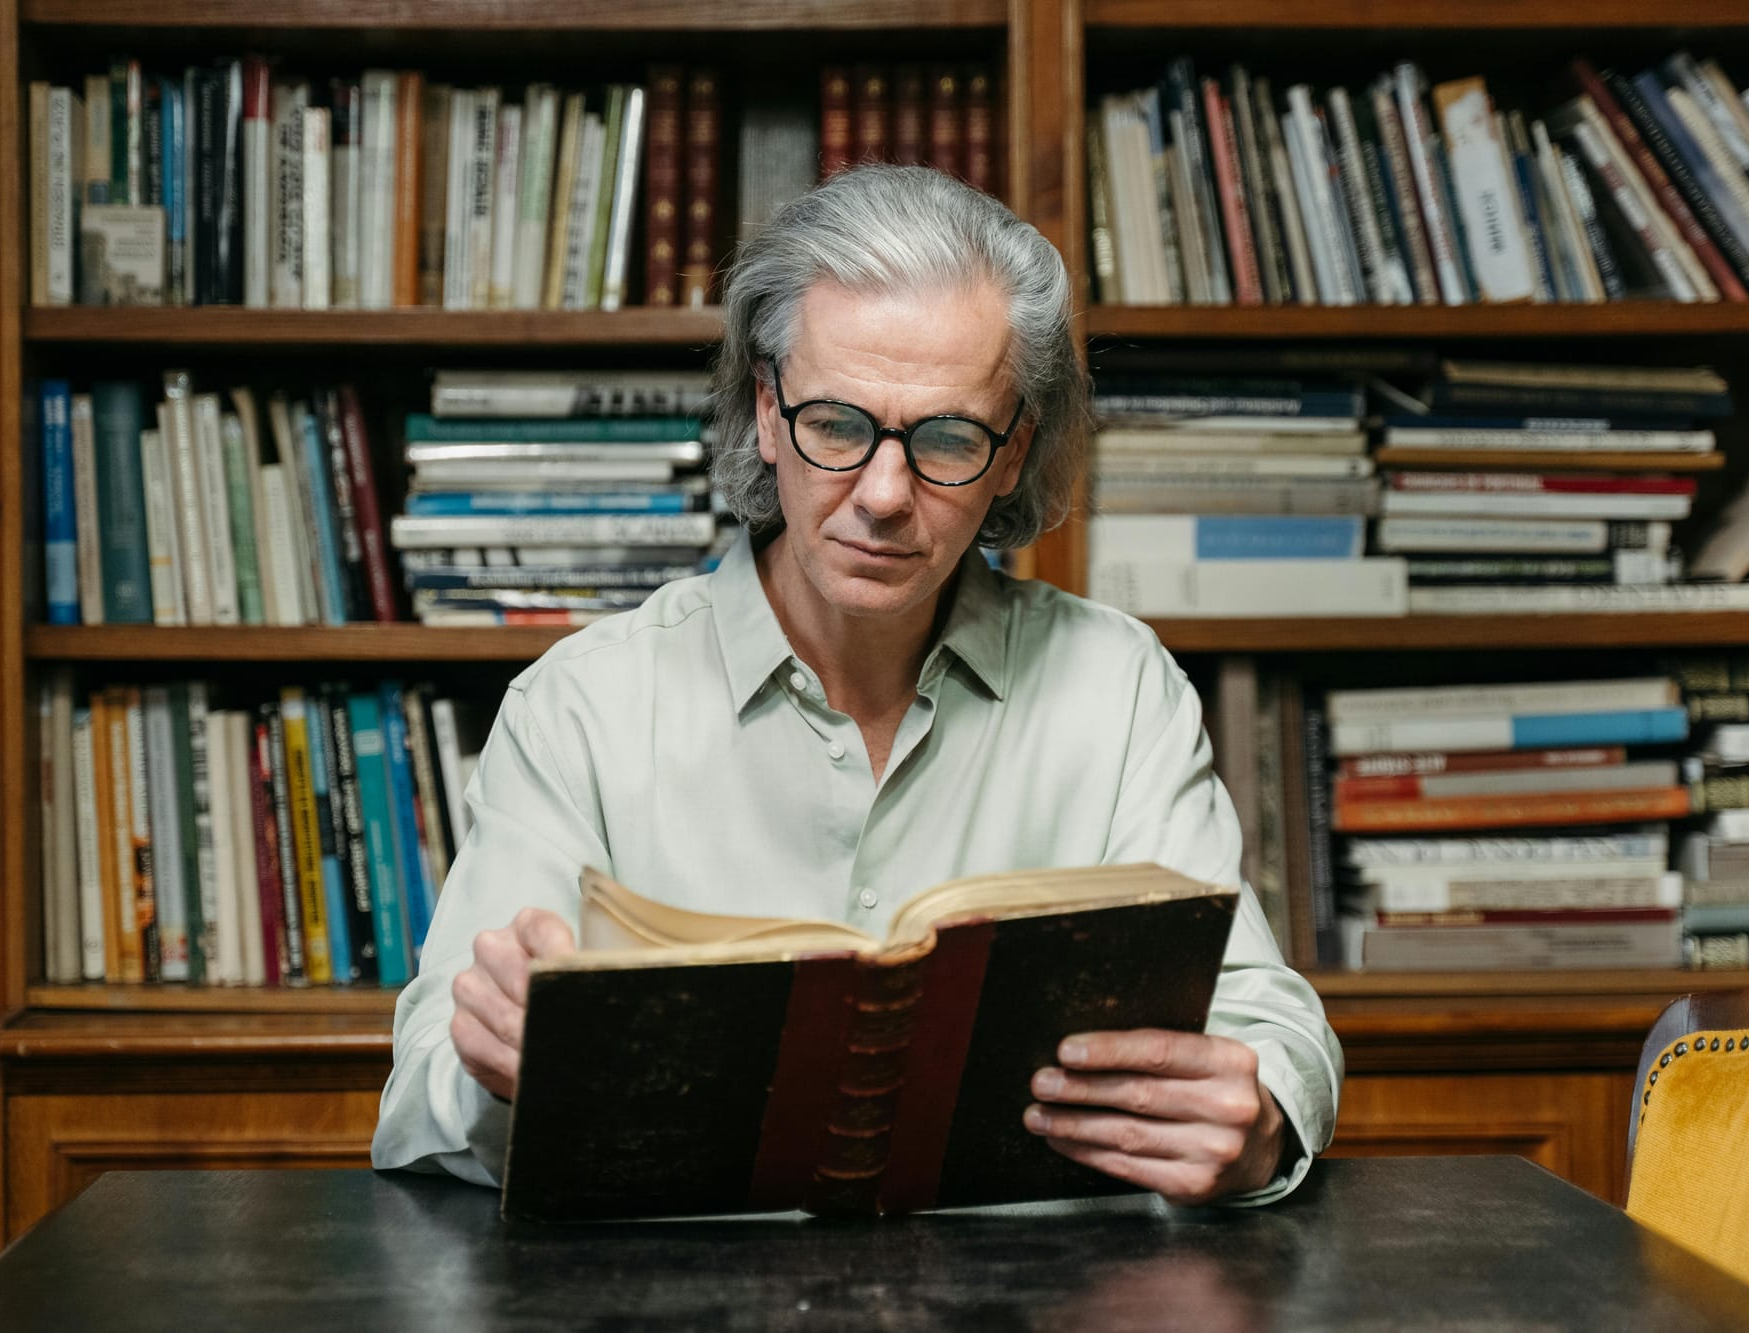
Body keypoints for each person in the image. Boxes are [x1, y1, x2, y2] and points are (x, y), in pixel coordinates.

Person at [373, 164, 1343, 1207]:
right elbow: (420, 1100)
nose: (882, 497)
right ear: (763, 407)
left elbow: (1266, 1021)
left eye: (946, 440)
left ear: (1012, 453)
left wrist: (1256, 1122)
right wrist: (495, 1065)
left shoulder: (1117, 692)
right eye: (835, 424)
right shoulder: (583, 706)